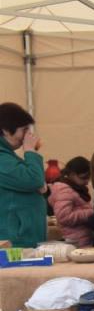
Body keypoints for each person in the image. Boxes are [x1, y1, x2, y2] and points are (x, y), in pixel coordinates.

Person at [0, 102, 46, 247]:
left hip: (20, 237)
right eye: (24, 130)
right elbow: (33, 180)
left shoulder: (8, 156)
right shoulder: (2, 158)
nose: (28, 135)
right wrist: (30, 151)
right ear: (6, 130)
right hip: (15, 240)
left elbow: (36, 181)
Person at [49, 156, 94, 247]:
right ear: (72, 175)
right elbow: (64, 217)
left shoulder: (74, 188)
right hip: (76, 240)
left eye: (89, 177)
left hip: (80, 237)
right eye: (84, 177)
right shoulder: (64, 190)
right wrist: (91, 212)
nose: (87, 181)